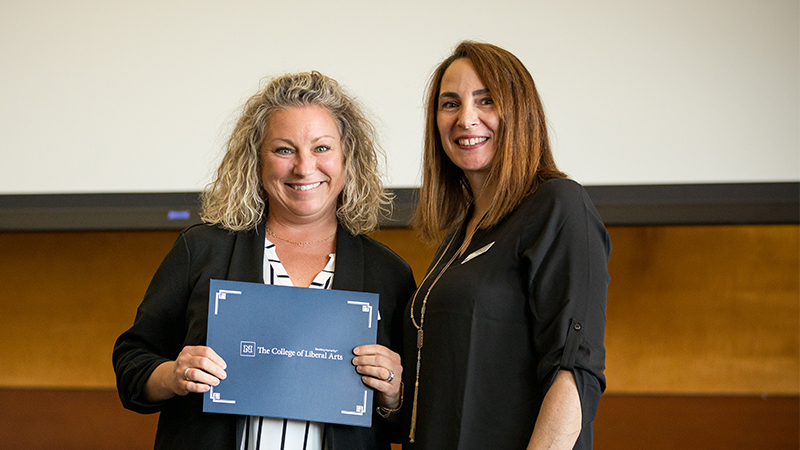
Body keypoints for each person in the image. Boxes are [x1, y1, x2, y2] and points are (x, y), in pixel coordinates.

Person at [113, 71, 416, 450]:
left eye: (322, 148)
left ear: (347, 157)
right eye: (284, 149)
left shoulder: (390, 274)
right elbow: (131, 363)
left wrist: (392, 396)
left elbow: (409, 423)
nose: (304, 168)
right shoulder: (202, 249)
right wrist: (173, 375)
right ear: (256, 159)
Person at [402, 41, 611, 450]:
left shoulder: (558, 206)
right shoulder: (458, 236)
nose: (466, 118)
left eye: (487, 101)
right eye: (449, 104)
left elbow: (573, 372)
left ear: (521, 112)